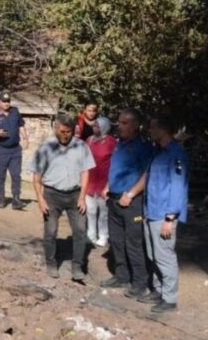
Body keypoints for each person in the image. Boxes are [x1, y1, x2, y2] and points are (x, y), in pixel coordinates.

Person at [33, 114, 96, 283]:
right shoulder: (46, 148)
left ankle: (77, 267)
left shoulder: (81, 146)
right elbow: (37, 177)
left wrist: (83, 197)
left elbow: (85, 172)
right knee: (51, 231)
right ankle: (51, 263)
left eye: (69, 131)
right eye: (62, 131)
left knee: (81, 231)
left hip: (75, 195)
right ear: (56, 129)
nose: (65, 135)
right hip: (52, 195)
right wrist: (40, 198)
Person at [101, 108, 154, 298]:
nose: (119, 126)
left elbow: (148, 175)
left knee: (134, 243)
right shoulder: (119, 144)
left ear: (134, 125)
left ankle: (140, 282)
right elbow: (116, 169)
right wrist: (108, 186)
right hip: (114, 199)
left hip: (132, 202)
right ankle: (122, 275)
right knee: (116, 240)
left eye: (124, 123)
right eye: (119, 122)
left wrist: (131, 194)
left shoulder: (143, 147)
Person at [142, 114, 189, 313]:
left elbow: (178, 187)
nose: (150, 131)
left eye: (153, 128)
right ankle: (158, 290)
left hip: (164, 214)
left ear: (163, 130)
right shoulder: (158, 152)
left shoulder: (175, 153)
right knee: (154, 254)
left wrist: (170, 218)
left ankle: (169, 299)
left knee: (165, 256)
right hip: (151, 211)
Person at [0, 91, 29, 210]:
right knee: (1, 175)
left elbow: (21, 125)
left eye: (8, 101)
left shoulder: (15, 111)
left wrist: (25, 138)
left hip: (15, 150)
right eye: (4, 101)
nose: (6, 103)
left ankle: (16, 200)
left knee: (16, 175)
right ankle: (1, 199)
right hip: (1, 150)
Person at [85, 116, 116, 246]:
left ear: (104, 127)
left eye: (97, 126)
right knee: (90, 210)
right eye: (94, 125)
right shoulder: (89, 140)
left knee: (103, 212)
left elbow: (115, 162)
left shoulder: (112, 142)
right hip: (90, 181)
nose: (94, 127)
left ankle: (103, 235)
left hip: (104, 181)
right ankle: (91, 234)